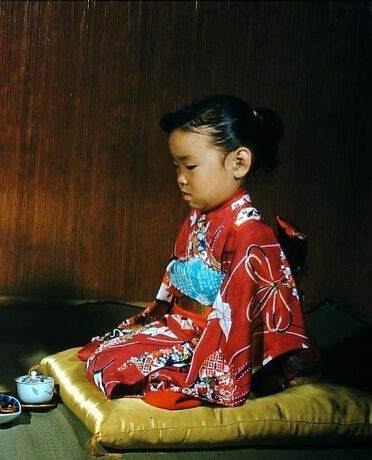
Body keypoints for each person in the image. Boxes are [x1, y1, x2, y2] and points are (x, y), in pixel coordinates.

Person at [77, 94, 317, 407]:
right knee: (103, 354)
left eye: (190, 166)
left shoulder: (251, 233)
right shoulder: (200, 214)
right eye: (176, 166)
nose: (180, 178)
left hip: (214, 341)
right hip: (183, 326)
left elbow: (235, 316)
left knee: (128, 370)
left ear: (239, 162)